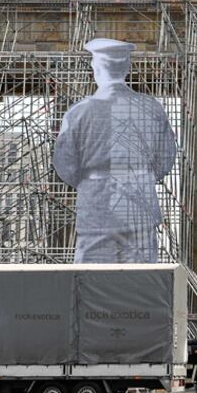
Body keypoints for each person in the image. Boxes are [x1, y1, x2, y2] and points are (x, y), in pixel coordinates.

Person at [53, 39, 177, 263]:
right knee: (140, 279)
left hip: (97, 202)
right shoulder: (151, 108)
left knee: (91, 277)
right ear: (126, 69)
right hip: (140, 199)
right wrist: (140, 176)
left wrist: (89, 180)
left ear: (97, 69)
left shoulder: (79, 112)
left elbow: (64, 162)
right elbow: (166, 157)